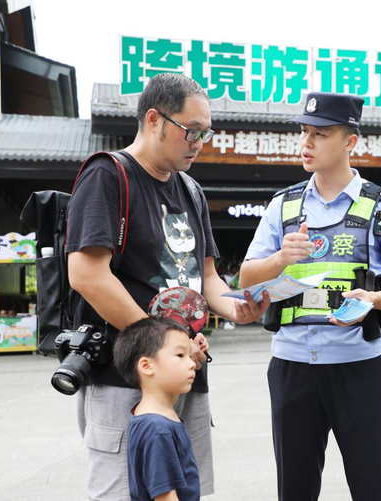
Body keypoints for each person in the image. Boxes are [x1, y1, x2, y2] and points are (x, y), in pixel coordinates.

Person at [66, 73, 270, 500]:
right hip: (125, 378)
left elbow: (207, 277)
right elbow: (86, 274)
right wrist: (161, 343)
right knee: (124, 492)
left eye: (205, 133)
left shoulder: (191, 190)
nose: (199, 142)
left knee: (182, 491)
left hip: (183, 374)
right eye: (191, 131)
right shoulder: (108, 175)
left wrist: (236, 308)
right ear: (154, 119)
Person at [240, 92, 381, 501]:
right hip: (291, 366)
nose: (306, 143)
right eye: (304, 132)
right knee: (295, 488)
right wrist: (280, 259)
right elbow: (248, 277)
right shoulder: (282, 206)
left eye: (319, 134)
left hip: (359, 369)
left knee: (373, 484)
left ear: (349, 141)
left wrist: (372, 301)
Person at [113, 316, 201, 501]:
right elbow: (164, 496)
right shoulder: (157, 428)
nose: (192, 363)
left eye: (190, 356)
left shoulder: (152, 417)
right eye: (180, 355)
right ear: (146, 366)